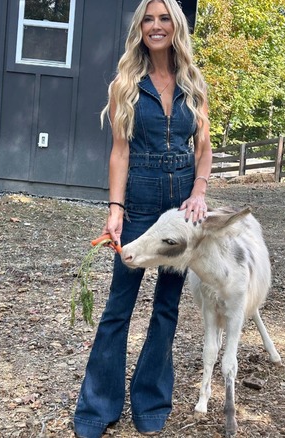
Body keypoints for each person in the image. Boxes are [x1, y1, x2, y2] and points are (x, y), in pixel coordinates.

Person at [73, 0, 212, 436]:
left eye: (164, 17)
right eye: (148, 19)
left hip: (182, 208)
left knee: (167, 307)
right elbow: (120, 152)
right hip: (140, 200)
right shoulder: (126, 84)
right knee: (119, 305)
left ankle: (151, 403)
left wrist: (199, 193)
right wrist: (115, 210)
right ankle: (98, 407)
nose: (156, 25)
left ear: (176, 26)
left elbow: (203, 149)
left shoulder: (194, 82)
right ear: (140, 28)